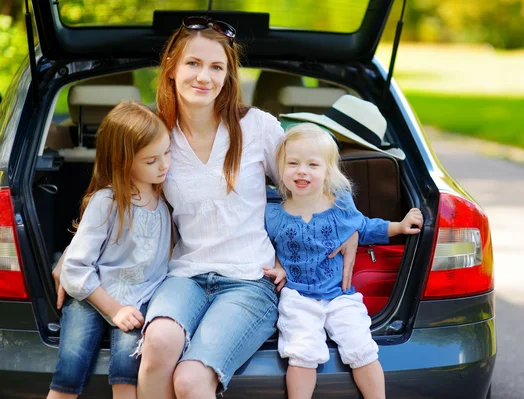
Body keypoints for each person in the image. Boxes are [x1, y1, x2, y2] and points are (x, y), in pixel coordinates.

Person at [131, 16, 359, 399]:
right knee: (157, 345)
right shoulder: (156, 133)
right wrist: (71, 255)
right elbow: (116, 194)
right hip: (184, 274)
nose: (204, 76)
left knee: (189, 380)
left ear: (228, 76)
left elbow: (314, 175)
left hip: (251, 280)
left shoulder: (257, 128)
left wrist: (347, 225)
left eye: (216, 67)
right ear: (171, 68)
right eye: (193, 64)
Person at [264, 123, 424, 399]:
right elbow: (262, 244)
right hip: (298, 297)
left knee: (361, 349)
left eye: (313, 164)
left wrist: (399, 226)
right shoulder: (272, 214)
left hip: (340, 295)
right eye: (293, 163)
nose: (302, 170)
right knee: (301, 354)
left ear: (327, 172)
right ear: (280, 168)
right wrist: (277, 263)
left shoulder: (339, 205)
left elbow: (364, 227)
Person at [47, 101, 172, 399]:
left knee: (127, 374)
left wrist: (128, 309)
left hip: (138, 299)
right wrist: (114, 310)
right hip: (92, 294)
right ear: (123, 161)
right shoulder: (108, 201)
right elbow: (76, 268)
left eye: (167, 153)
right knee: (70, 368)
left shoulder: (166, 197)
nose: (164, 165)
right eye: (152, 160)